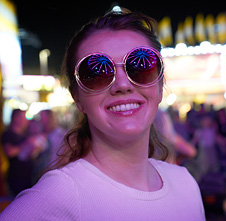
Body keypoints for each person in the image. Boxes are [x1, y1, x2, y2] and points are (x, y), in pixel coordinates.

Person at [0, 10, 205, 220]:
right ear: (77, 98)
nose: (123, 85)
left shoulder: (185, 184)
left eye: (140, 66)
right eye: (96, 73)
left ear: (160, 86)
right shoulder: (58, 196)